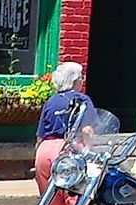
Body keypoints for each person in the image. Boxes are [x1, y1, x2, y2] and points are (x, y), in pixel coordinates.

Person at [33, 63, 92, 193]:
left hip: (44, 150)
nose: (82, 81)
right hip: (67, 150)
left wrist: (37, 156)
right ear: (74, 81)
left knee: (48, 201)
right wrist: (88, 151)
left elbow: (40, 136)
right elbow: (86, 130)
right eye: (81, 78)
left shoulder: (51, 101)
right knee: (72, 200)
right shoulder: (82, 99)